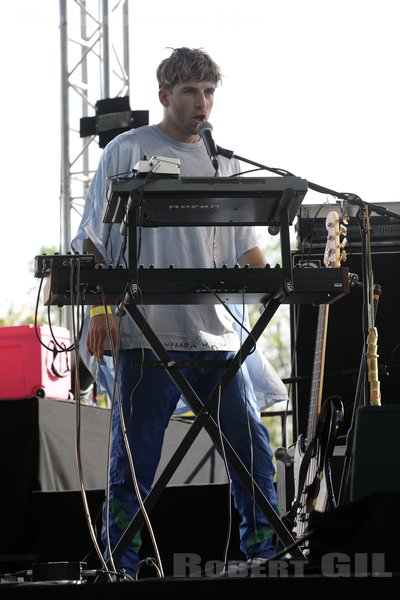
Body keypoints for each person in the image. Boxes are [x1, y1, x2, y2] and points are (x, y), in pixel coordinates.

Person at [72, 47, 287, 577]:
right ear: (164, 96)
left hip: (217, 341)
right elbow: (90, 243)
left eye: (209, 92)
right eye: (190, 91)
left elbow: (246, 252)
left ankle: (269, 556)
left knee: (252, 454)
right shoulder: (126, 149)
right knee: (134, 466)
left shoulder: (226, 162)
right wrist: (101, 307)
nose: (202, 103)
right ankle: (115, 565)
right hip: (145, 337)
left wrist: (294, 280)